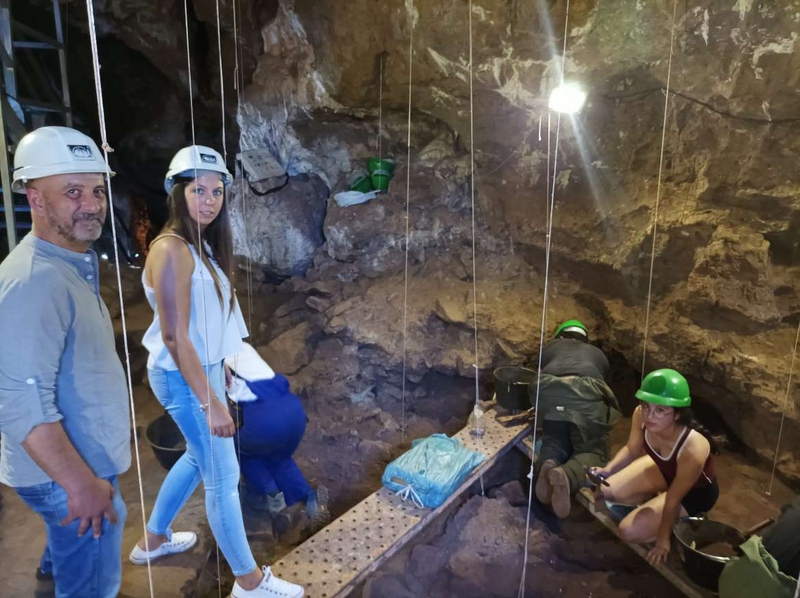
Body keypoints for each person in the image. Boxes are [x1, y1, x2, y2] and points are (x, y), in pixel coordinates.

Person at [128, 145, 303, 598]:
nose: (209, 200)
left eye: (217, 191)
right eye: (198, 190)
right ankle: (249, 584)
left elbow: (206, 323)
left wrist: (221, 365)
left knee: (196, 457)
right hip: (183, 377)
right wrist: (209, 402)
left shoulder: (197, 246)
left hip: (200, 371)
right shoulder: (171, 250)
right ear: (177, 192)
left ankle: (154, 539)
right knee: (223, 478)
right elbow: (173, 336)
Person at [0, 126, 130, 597]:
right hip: (67, 475)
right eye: (72, 192)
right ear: (36, 199)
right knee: (93, 584)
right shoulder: (36, 281)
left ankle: (53, 565)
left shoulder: (69, 262)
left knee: (74, 547)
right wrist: (82, 486)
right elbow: (20, 402)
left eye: (96, 190)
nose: (92, 204)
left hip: (77, 465)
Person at [591, 368, 719, 565]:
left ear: (677, 414)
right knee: (608, 490)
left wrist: (663, 539)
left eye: (660, 410)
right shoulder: (640, 415)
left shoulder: (693, 447)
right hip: (665, 470)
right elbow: (632, 450)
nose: (650, 415)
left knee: (628, 531)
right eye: (646, 406)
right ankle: (652, 501)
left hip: (694, 493)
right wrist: (607, 470)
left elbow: (674, 498)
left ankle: (685, 521)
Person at [226, 343, 330, 532]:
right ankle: (309, 498)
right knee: (277, 456)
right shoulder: (243, 346)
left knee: (240, 452)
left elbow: (222, 409)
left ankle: (274, 500)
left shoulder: (214, 358)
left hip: (266, 419)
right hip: (294, 413)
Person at [533, 319, 621, 518]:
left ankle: (548, 462)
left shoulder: (550, 348)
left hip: (549, 392)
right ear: (585, 339)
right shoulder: (597, 354)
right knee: (593, 451)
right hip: (584, 394)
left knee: (555, 439)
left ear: (560, 336)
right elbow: (603, 382)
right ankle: (568, 474)